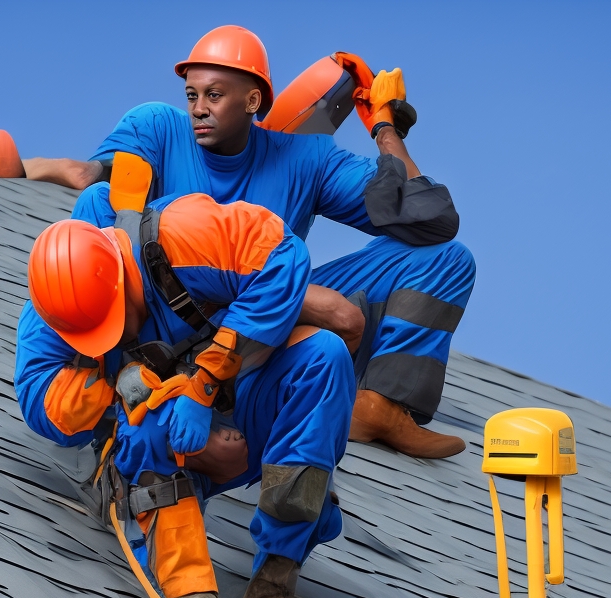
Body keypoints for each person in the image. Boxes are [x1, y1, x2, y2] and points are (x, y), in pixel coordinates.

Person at [60, 27, 476, 458]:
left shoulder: (306, 158)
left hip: (270, 317)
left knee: (446, 259)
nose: (198, 109)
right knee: (96, 204)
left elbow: (432, 220)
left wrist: (385, 128)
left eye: (214, 95)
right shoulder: (157, 128)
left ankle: (377, 408)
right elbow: (112, 218)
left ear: (253, 101)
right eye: (191, 95)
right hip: (172, 325)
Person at [15, 194, 373, 598]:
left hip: (226, 402)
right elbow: (41, 404)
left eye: (116, 320)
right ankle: (186, 586)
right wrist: (127, 388)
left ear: (121, 275)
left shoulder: (182, 234)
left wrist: (204, 385)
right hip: (152, 445)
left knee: (323, 357)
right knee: (144, 428)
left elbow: (282, 256)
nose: (118, 337)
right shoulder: (55, 302)